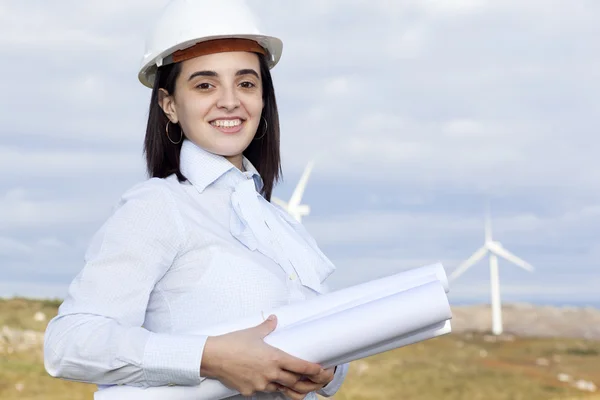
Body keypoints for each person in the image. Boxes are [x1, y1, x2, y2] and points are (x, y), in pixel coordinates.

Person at [43, 0, 349, 399]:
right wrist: (210, 357)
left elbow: (328, 361)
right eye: (205, 84)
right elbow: (69, 343)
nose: (229, 100)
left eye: (246, 83)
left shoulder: (284, 225)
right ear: (169, 104)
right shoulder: (159, 206)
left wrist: (328, 371)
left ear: (262, 100)